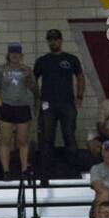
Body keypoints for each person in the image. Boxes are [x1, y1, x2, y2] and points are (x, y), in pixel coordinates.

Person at [33, 29, 84, 177]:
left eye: (56, 39)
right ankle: (45, 171)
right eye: (50, 39)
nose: (53, 42)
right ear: (48, 42)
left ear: (61, 40)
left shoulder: (71, 59)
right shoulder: (42, 61)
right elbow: (33, 80)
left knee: (69, 136)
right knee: (47, 138)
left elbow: (80, 77)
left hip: (67, 103)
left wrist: (80, 96)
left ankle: (73, 171)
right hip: (47, 104)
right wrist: (37, 98)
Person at [0, 44, 38, 178]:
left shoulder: (26, 70)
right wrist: (0, 105)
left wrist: (29, 75)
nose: (15, 55)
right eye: (12, 53)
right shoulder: (1, 70)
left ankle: (24, 169)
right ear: (8, 55)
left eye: (17, 53)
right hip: (6, 107)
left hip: (23, 107)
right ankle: (6, 171)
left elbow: (34, 89)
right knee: (5, 140)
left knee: (22, 140)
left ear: (21, 55)